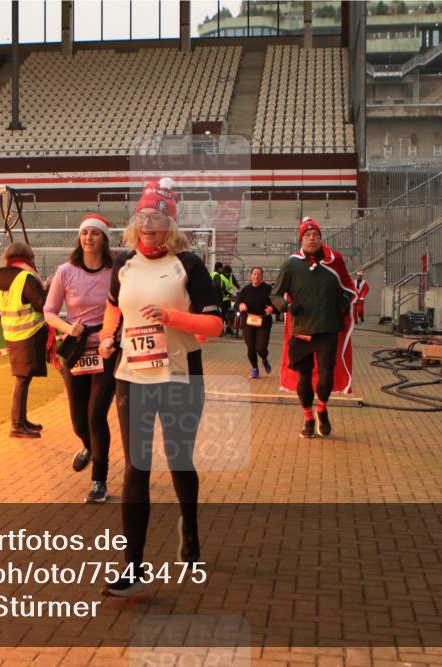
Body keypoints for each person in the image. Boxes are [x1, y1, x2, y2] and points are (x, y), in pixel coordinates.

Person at [98, 178, 223, 597]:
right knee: (136, 466)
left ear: (171, 223)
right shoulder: (123, 265)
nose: (149, 226)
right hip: (131, 377)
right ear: (135, 223)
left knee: (179, 460)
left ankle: (189, 528)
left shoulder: (189, 264)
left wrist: (172, 318)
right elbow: (113, 306)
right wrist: (106, 336)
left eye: (157, 218)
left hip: (180, 376)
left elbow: (214, 325)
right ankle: (133, 567)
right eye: (143, 217)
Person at [44, 214, 118, 503]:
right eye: (85, 233)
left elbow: (122, 306)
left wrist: (112, 336)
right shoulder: (65, 271)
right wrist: (67, 327)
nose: (88, 238)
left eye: (95, 234)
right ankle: (87, 445)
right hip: (76, 348)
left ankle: (99, 480)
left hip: (106, 348)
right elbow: (49, 311)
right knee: (78, 420)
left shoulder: (114, 272)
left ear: (104, 239)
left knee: (96, 414)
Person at [272, 217, 357, 440]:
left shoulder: (334, 260)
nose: (312, 238)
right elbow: (275, 294)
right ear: (301, 239)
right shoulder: (291, 264)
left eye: (316, 235)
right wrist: (287, 306)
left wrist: (346, 298)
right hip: (301, 330)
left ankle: (322, 409)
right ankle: (308, 418)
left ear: (321, 239)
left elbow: (348, 284)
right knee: (304, 378)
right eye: (308, 235)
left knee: (326, 377)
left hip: (328, 329)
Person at [0, 241, 48, 439]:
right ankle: (17, 424)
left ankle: (21, 420)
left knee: (22, 379)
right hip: (29, 333)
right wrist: (48, 287)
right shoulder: (25, 276)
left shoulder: (2, 278)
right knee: (22, 380)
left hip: (12, 333)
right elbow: (41, 303)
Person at [236, 267, 275, 379]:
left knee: (261, 348)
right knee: (251, 348)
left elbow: (276, 304)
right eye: (254, 274)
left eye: (259, 274)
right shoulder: (245, 290)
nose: (256, 276)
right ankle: (255, 369)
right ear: (251, 276)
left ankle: (264, 359)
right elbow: (237, 304)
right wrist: (240, 306)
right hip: (248, 322)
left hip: (263, 322)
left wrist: (272, 309)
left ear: (262, 276)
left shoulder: (268, 289)